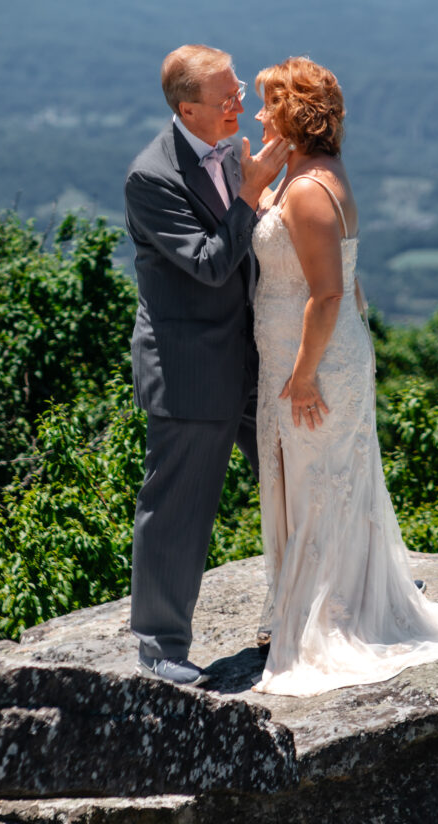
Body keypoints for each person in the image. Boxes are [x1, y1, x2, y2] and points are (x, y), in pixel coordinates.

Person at [250, 57, 438, 697]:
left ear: (291, 115)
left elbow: (329, 293)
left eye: (267, 104)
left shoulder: (308, 189)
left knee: (318, 482)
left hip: (313, 365)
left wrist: (305, 375)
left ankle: (327, 616)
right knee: (305, 479)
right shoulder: (304, 174)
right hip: (300, 359)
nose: (257, 115)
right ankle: (302, 603)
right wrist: (260, 179)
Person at [124, 44, 289, 687]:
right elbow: (212, 265)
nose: (241, 104)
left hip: (255, 354)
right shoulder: (151, 178)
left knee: (296, 478)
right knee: (178, 510)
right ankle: (161, 649)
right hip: (191, 370)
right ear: (188, 109)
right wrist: (250, 195)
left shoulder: (230, 148)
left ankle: (330, 599)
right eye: (228, 98)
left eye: (239, 88)